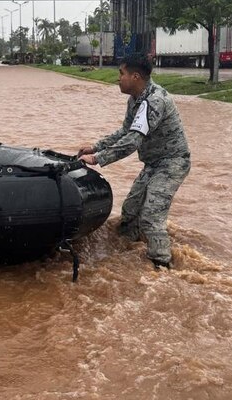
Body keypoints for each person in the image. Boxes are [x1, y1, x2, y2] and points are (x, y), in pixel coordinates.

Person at [78, 53, 190, 269]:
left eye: (121, 73)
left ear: (136, 76)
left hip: (173, 162)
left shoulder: (154, 101)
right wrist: (96, 145)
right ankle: (128, 256)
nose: (117, 78)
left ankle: (162, 266)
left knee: (150, 216)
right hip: (154, 163)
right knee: (130, 210)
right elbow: (125, 130)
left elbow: (132, 141)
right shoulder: (135, 101)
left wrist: (97, 158)